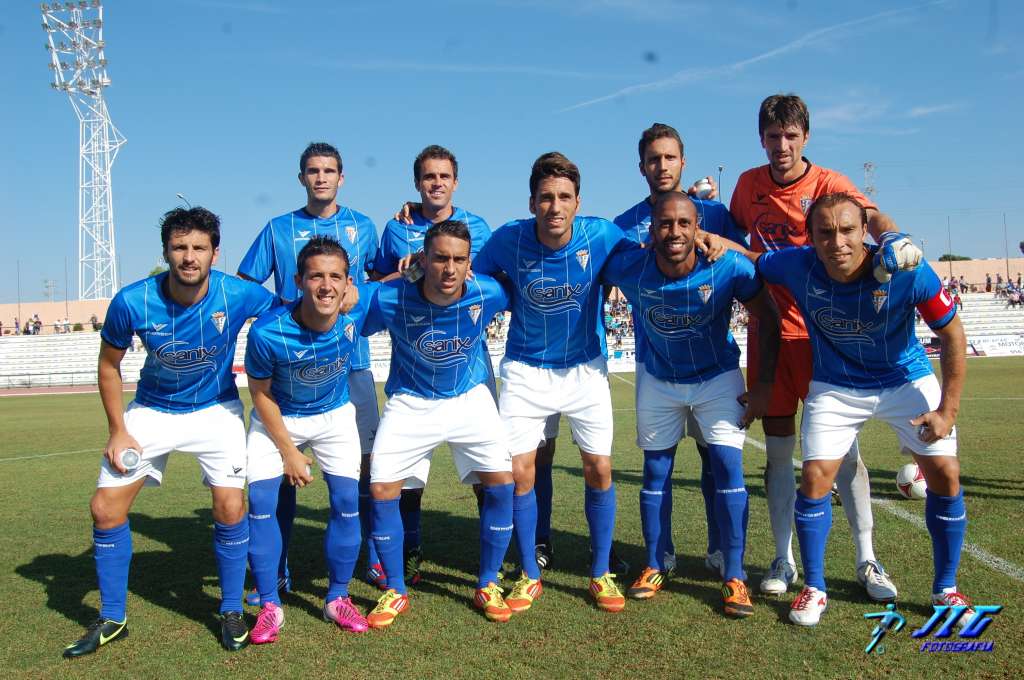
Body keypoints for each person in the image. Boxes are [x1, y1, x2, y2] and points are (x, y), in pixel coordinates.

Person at [728, 94, 920, 601]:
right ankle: (783, 558)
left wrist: (896, 237)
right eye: (773, 136)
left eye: (791, 136)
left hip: (824, 336)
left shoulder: (830, 183)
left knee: (845, 456)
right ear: (761, 139)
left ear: (806, 137)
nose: (782, 145)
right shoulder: (747, 185)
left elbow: (872, 217)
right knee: (778, 454)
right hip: (769, 336)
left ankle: (866, 558)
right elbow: (734, 238)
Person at [62, 207, 275, 657]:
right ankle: (112, 617)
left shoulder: (238, 293)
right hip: (151, 411)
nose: (189, 257)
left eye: (199, 247)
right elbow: (108, 366)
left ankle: (231, 609)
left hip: (216, 410)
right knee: (104, 508)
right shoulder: (132, 301)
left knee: (230, 505)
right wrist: (118, 430)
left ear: (215, 253)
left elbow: (290, 313)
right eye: (179, 247)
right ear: (165, 252)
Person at [750, 192, 970, 626]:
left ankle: (946, 589)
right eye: (825, 233)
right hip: (837, 386)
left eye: (848, 230)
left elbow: (952, 334)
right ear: (811, 238)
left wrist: (947, 410)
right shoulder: (796, 265)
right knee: (815, 477)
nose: (838, 242)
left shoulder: (907, 270)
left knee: (945, 474)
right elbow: (753, 257)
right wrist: (709, 239)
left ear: (864, 231)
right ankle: (815, 588)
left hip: (905, 379)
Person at [603, 192, 781, 617]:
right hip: (659, 380)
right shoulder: (630, 266)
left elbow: (770, 318)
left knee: (727, 466)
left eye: (684, 223)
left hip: (717, 379)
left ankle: (734, 575)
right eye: (665, 223)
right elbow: (589, 269)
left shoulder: (727, 265)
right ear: (651, 229)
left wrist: (763, 385)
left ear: (697, 227)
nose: (675, 232)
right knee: (655, 471)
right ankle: (656, 563)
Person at [472, 152, 631, 614]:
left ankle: (600, 571)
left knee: (598, 468)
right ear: (531, 203)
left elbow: (650, 257)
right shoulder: (508, 239)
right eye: (545, 198)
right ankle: (530, 573)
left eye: (564, 197)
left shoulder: (602, 234)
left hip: (584, 368)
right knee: (520, 472)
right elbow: (472, 276)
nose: (554, 207)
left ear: (578, 202)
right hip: (525, 369)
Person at [237, 142, 380, 606]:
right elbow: (245, 284)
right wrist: (281, 310)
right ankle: (277, 572)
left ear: (342, 177)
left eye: (329, 170)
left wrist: (360, 291)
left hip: (350, 363)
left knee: (362, 469)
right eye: (313, 171)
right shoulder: (278, 228)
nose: (321, 178)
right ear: (301, 178)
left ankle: (372, 557)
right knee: (280, 476)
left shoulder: (364, 225)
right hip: (291, 363)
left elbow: (380, 281)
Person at [611, 122, 750, 581]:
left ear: (683, 162)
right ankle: (662, 555)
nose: (662, 166)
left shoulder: (715, 213)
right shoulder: (624, 225)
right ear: (641, 167)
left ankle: (720, 551)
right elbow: (609, 273)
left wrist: (719, 241)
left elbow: (748, 261)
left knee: (716, 459)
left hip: (713, 360)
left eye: (670, 157)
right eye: (653, 159)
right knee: (659, 465)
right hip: (655, 361)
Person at [361, 220, 515, 627]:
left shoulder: (488, 292)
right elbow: (350, 306)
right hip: (411, 401)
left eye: (459, 260)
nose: (450, 268)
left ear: (469, 264)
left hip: (469, 397)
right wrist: (394, 276)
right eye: (441, 258)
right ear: (423, 259)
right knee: (381, 489)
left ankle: (488, 582)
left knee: (502, 483)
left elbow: (522, 285)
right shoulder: (391, 297)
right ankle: (396, 589)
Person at [370, 144, 493, 588]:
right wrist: (405, 271)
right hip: (414, 371)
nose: (436, 183)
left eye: (443, 176)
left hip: (468, 367)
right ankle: (411, 550)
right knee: (408, 479)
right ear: (417, 183)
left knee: (486, 473)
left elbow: (491, 281)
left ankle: (489, 560)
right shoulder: (396, 228)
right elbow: (377, 287)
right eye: (428, 176)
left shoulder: (478, 226)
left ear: (455, 182)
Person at [244, 237, 373, 644]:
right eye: (316, 276)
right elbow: (260, 393)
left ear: (348, 283)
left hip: (334, 415)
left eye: (336, 277)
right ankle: (270, 604)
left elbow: (406, 285)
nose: (326, 286)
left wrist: (418, 262)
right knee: (261, 503)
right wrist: (288, 452)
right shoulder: (267, 331)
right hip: (278, 417)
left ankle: (337, 597)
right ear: (298, 281)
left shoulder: (357, 310)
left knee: (347, 501)